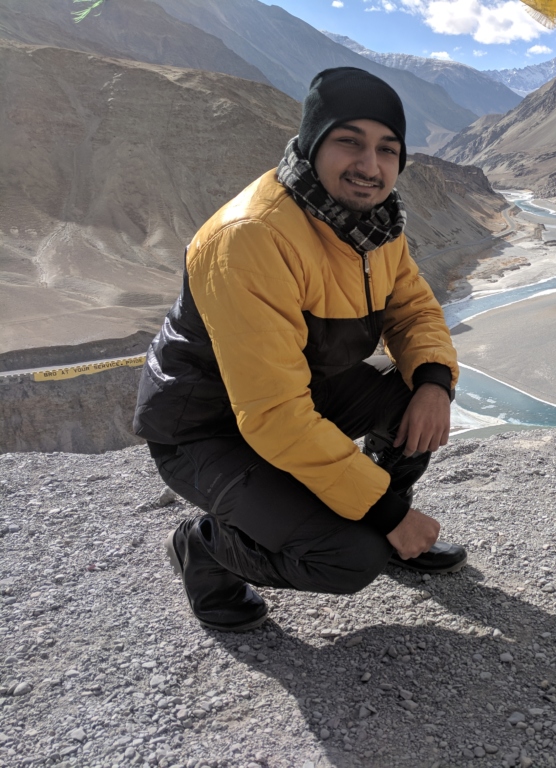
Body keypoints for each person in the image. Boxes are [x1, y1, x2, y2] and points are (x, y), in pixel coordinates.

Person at [133, 67, 466, 633]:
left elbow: (413, 309)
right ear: (313, 144)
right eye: (349, 142)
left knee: (410, 396)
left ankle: (387, 530)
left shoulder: (376, 225)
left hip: (301, 392)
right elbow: (273, 414)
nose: (370, 165)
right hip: (206, 427)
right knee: (348, 558)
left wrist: (435, 382)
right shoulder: (250, 237)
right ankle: (204, 549)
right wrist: (388, 513)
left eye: (388, 149)